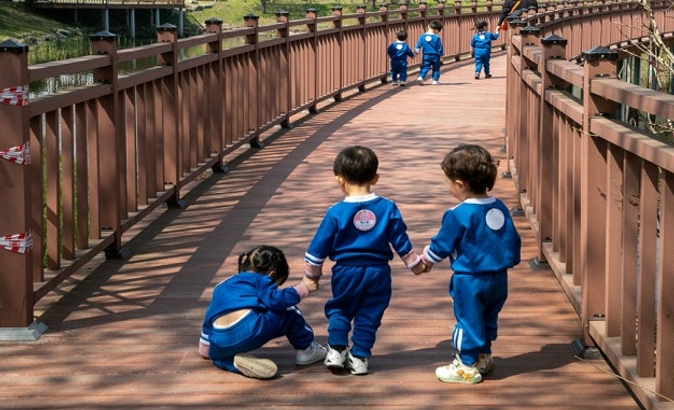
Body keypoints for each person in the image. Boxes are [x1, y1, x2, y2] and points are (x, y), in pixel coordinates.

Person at [303, 145, 428, 375]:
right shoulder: (387, 207)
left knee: (341, 308)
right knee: (370, 313)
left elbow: (317, 248)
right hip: (378, 271)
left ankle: (337, 351)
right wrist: (415, 264)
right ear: (375, 178)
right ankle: (360, 357)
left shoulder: (335, 212)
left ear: (339, 180)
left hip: (346, 271)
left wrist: (312, 275)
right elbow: (400, 240)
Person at [422, 144, 522, 384]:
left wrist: (426, 258)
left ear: (460, 184)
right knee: (488, 317)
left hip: (470, 279)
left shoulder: (458, 213)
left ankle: (466, 364)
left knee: (468, 320)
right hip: (498, 278)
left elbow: (442, 245)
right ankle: (483, 356)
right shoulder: (498, 206)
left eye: (448, 183)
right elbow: (512, 239)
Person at [198, 245, 327, 379]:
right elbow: (274, 300)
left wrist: (205, 348)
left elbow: (209, 317)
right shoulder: (261, 280)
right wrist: (302, 289)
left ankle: (232, 363)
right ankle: (307, 351)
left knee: (217, 357)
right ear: (272, 273)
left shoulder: (222, 285)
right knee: (289, 311)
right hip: (250, 328)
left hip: (219, 339)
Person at [414, 20, 444, 85]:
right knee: (436, 68)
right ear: (437, 31)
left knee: (425, 66)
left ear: (428, 26)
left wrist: (417, 50)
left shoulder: (422, 36)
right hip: (435, 56)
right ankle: (435, 80)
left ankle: (421, 76)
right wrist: (441, 56)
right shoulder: (437, 37)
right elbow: (439, 48)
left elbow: (418, 45)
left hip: (426, 55)